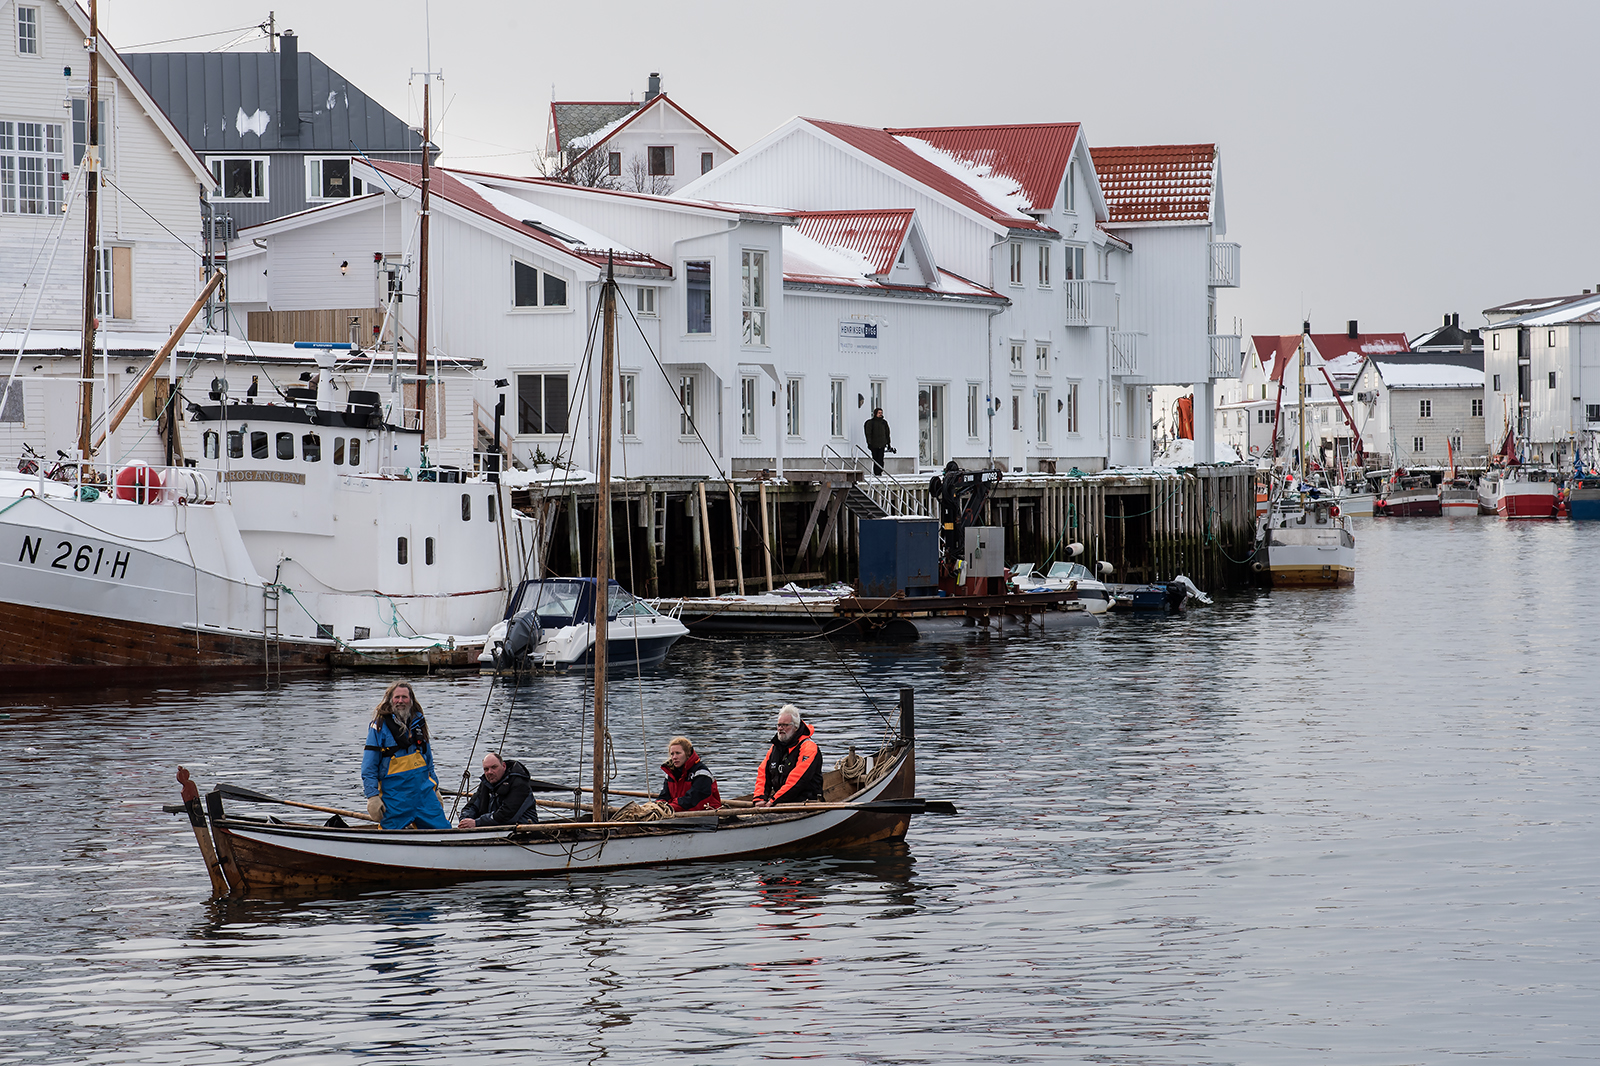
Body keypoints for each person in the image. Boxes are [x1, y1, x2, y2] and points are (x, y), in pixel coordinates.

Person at [360, 681, 450, 830]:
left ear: (411, 700)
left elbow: (428, 763)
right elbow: (369, 767)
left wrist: (436, 789)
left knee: (443, 831)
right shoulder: (379, 727)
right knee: (388, 839)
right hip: (396, 799)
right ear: (390, 700)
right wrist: (372, 797)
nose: (400, 701)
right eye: (397, 697)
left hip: (424, 796)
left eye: (404, 697)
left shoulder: (419, 724)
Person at [753, 705, 823, 806]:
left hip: (806, 802)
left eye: (785, 725)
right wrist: (760, 798)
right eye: (779, 725)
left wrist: (774, 801)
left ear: (795, 727)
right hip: (780, 801)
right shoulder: (774, 748)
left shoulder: (808, 747)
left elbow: (798, 779)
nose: (781, 728)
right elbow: (763, 774)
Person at [457, 752, 538, 828]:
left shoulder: (519, 784)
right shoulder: (486, 783)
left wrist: (477, 823)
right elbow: (471, 806)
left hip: (523, 830)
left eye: (494, 767)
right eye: (486, 769)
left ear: (503, 766)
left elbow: (507, 815)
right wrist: (465, 820)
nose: (490, 772)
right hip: (492, 828)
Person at [655, 735, 723, 812]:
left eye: (678, 753)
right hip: (678, 811)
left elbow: (693, 800)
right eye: (672, 754)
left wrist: (668, 808)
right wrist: (658, 806)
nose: (674, 757)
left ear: (687, 754)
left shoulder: (702, 773)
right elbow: (664, 796)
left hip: (707, 814)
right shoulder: (670, 774)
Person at [863, 407, 892, 475]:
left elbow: (887, 433)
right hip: (874, 444)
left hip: (882, 444)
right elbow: (868, 434)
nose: (880, 414)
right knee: (875, 458)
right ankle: (876, 472)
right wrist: (869, 443)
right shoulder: (871, 423)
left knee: (881, 459)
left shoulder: (884, 423)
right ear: (875, 413)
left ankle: (880, 471)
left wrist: (888, 443)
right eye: (879, 413)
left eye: (881, 413)